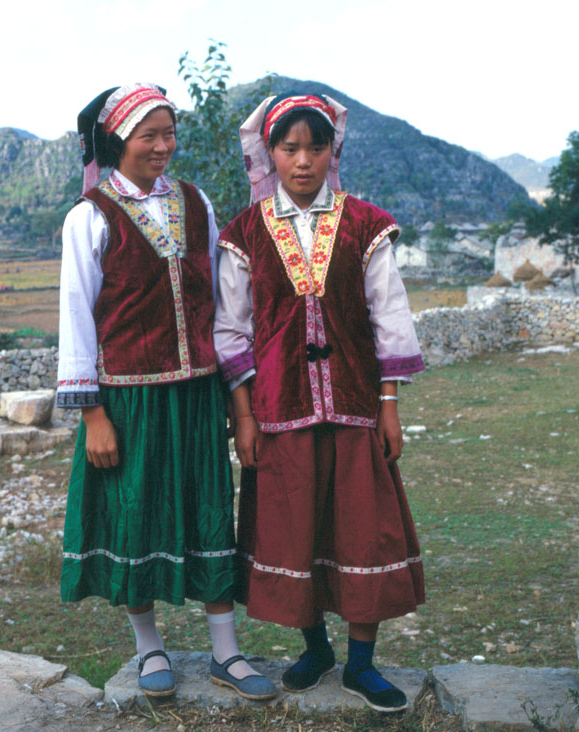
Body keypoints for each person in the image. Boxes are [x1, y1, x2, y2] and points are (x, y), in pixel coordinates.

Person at [56, 83, 276, 701]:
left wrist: (234, 391)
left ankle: (226, 652)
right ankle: (149, 646)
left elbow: (222, 302)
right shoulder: (89, 216)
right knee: (136, 515)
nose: (162, 146)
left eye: (168, 133)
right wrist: (92, 415)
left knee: (210, 511)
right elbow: (76, 316)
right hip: (128, 400)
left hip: (197, 394)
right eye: (148, 135)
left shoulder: (195, 202)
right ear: (117, 140)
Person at [213, 91, 425, 712]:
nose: (303, 160)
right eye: (290, 148)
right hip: (280, 412)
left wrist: (389, 404)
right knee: (293, 530)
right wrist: (245, 416)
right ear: (270, 154)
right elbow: (231, 331)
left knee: (364, 529)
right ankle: (316, 648)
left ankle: (361, 662)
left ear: (334, 150)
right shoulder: (244, 232)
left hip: (357, 406)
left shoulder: (365, 224)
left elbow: (389, 314)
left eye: (315, 147)